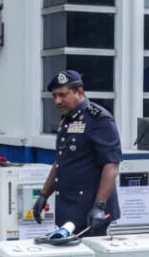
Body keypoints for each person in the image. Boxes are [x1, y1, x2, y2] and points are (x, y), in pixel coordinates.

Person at [33, 70, 122, 236]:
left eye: (62, 95)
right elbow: (61, 161)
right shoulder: (68, 119)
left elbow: (111, 165)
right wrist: (44, 194)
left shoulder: (99, 119)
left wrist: (100, 206)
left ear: (80, 92)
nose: (57, 101)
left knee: (89, 253)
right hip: (69, 208)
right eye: (54, 96)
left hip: (90, 210)